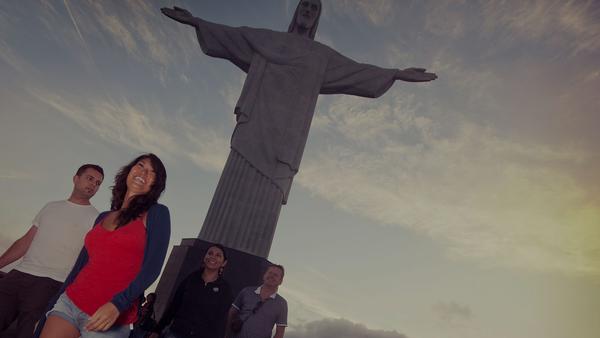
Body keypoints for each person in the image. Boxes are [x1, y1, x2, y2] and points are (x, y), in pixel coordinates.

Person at [161, 0, 438, 258]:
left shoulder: (321, 56)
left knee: (266, 199)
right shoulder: (267, 39)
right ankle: (212, 242)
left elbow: (357, 71)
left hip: (285, 142)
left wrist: (396, 74)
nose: (308, 9)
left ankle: (250, 253)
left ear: (317, 17)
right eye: (304, 4)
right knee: (234, 182)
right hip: (254, 128)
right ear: (296, 10)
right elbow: (232, 35)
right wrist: (195, 22)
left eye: (314, 7)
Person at [38, 153, 171, 338]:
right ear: (129, 171)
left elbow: (152, 268)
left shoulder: (157, 213)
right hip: (69, 303)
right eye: (140, 165)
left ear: (155, 184)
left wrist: (119, 304)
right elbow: (80, 266)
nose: (144, 172)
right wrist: (51, 305)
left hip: (110, 318)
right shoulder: (103, 217)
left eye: (152, 172)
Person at [0, 164, 104, 338]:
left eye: (98, 183)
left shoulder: (97, 219)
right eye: (90, 178)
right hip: (18, 275)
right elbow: (26, 241)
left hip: (51, 283)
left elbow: (92, 260)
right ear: (76, 178)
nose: (93, 185)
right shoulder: (50, 207)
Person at [149, 244, 232, 338]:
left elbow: (221, 321)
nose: (213, 256)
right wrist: (157, 330)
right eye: (210, 253)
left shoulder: (225, 289)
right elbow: (174, 306)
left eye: (218, 255)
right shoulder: (190, 279)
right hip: (176, 333)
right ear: (205, 257)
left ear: (224, 263)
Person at [226, 264, 287, 338]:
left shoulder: (282, 303)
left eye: (275, 275)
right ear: (264, 275)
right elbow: (232, 313)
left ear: (281, 281)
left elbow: (279, 333)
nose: (271, 276)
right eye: (270, 273)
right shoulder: (246, 291)